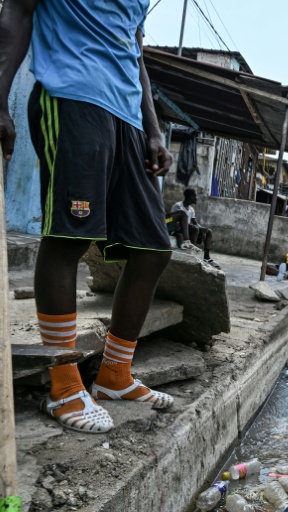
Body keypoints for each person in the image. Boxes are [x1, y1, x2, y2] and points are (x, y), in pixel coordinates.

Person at [0, 0, 174, 433]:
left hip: (126, 117)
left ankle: (115, 376)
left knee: (153, 249)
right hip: (72, 96)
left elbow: (134, 50)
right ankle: (63, 386)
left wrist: (153, 129)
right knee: (68, 238)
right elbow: (17, 12)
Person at [169, 188, 221, 269]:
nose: (197, 198)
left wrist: (202, 228)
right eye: (195, 196)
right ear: (191, 197)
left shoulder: (191, 209)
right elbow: (175, 223)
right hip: (179, 230)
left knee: (208, 231)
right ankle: (193, 252)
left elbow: (195, 222)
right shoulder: (178, 206)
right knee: (195, 229)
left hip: (190, 229)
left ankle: (206, 257)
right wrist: (197, 228)